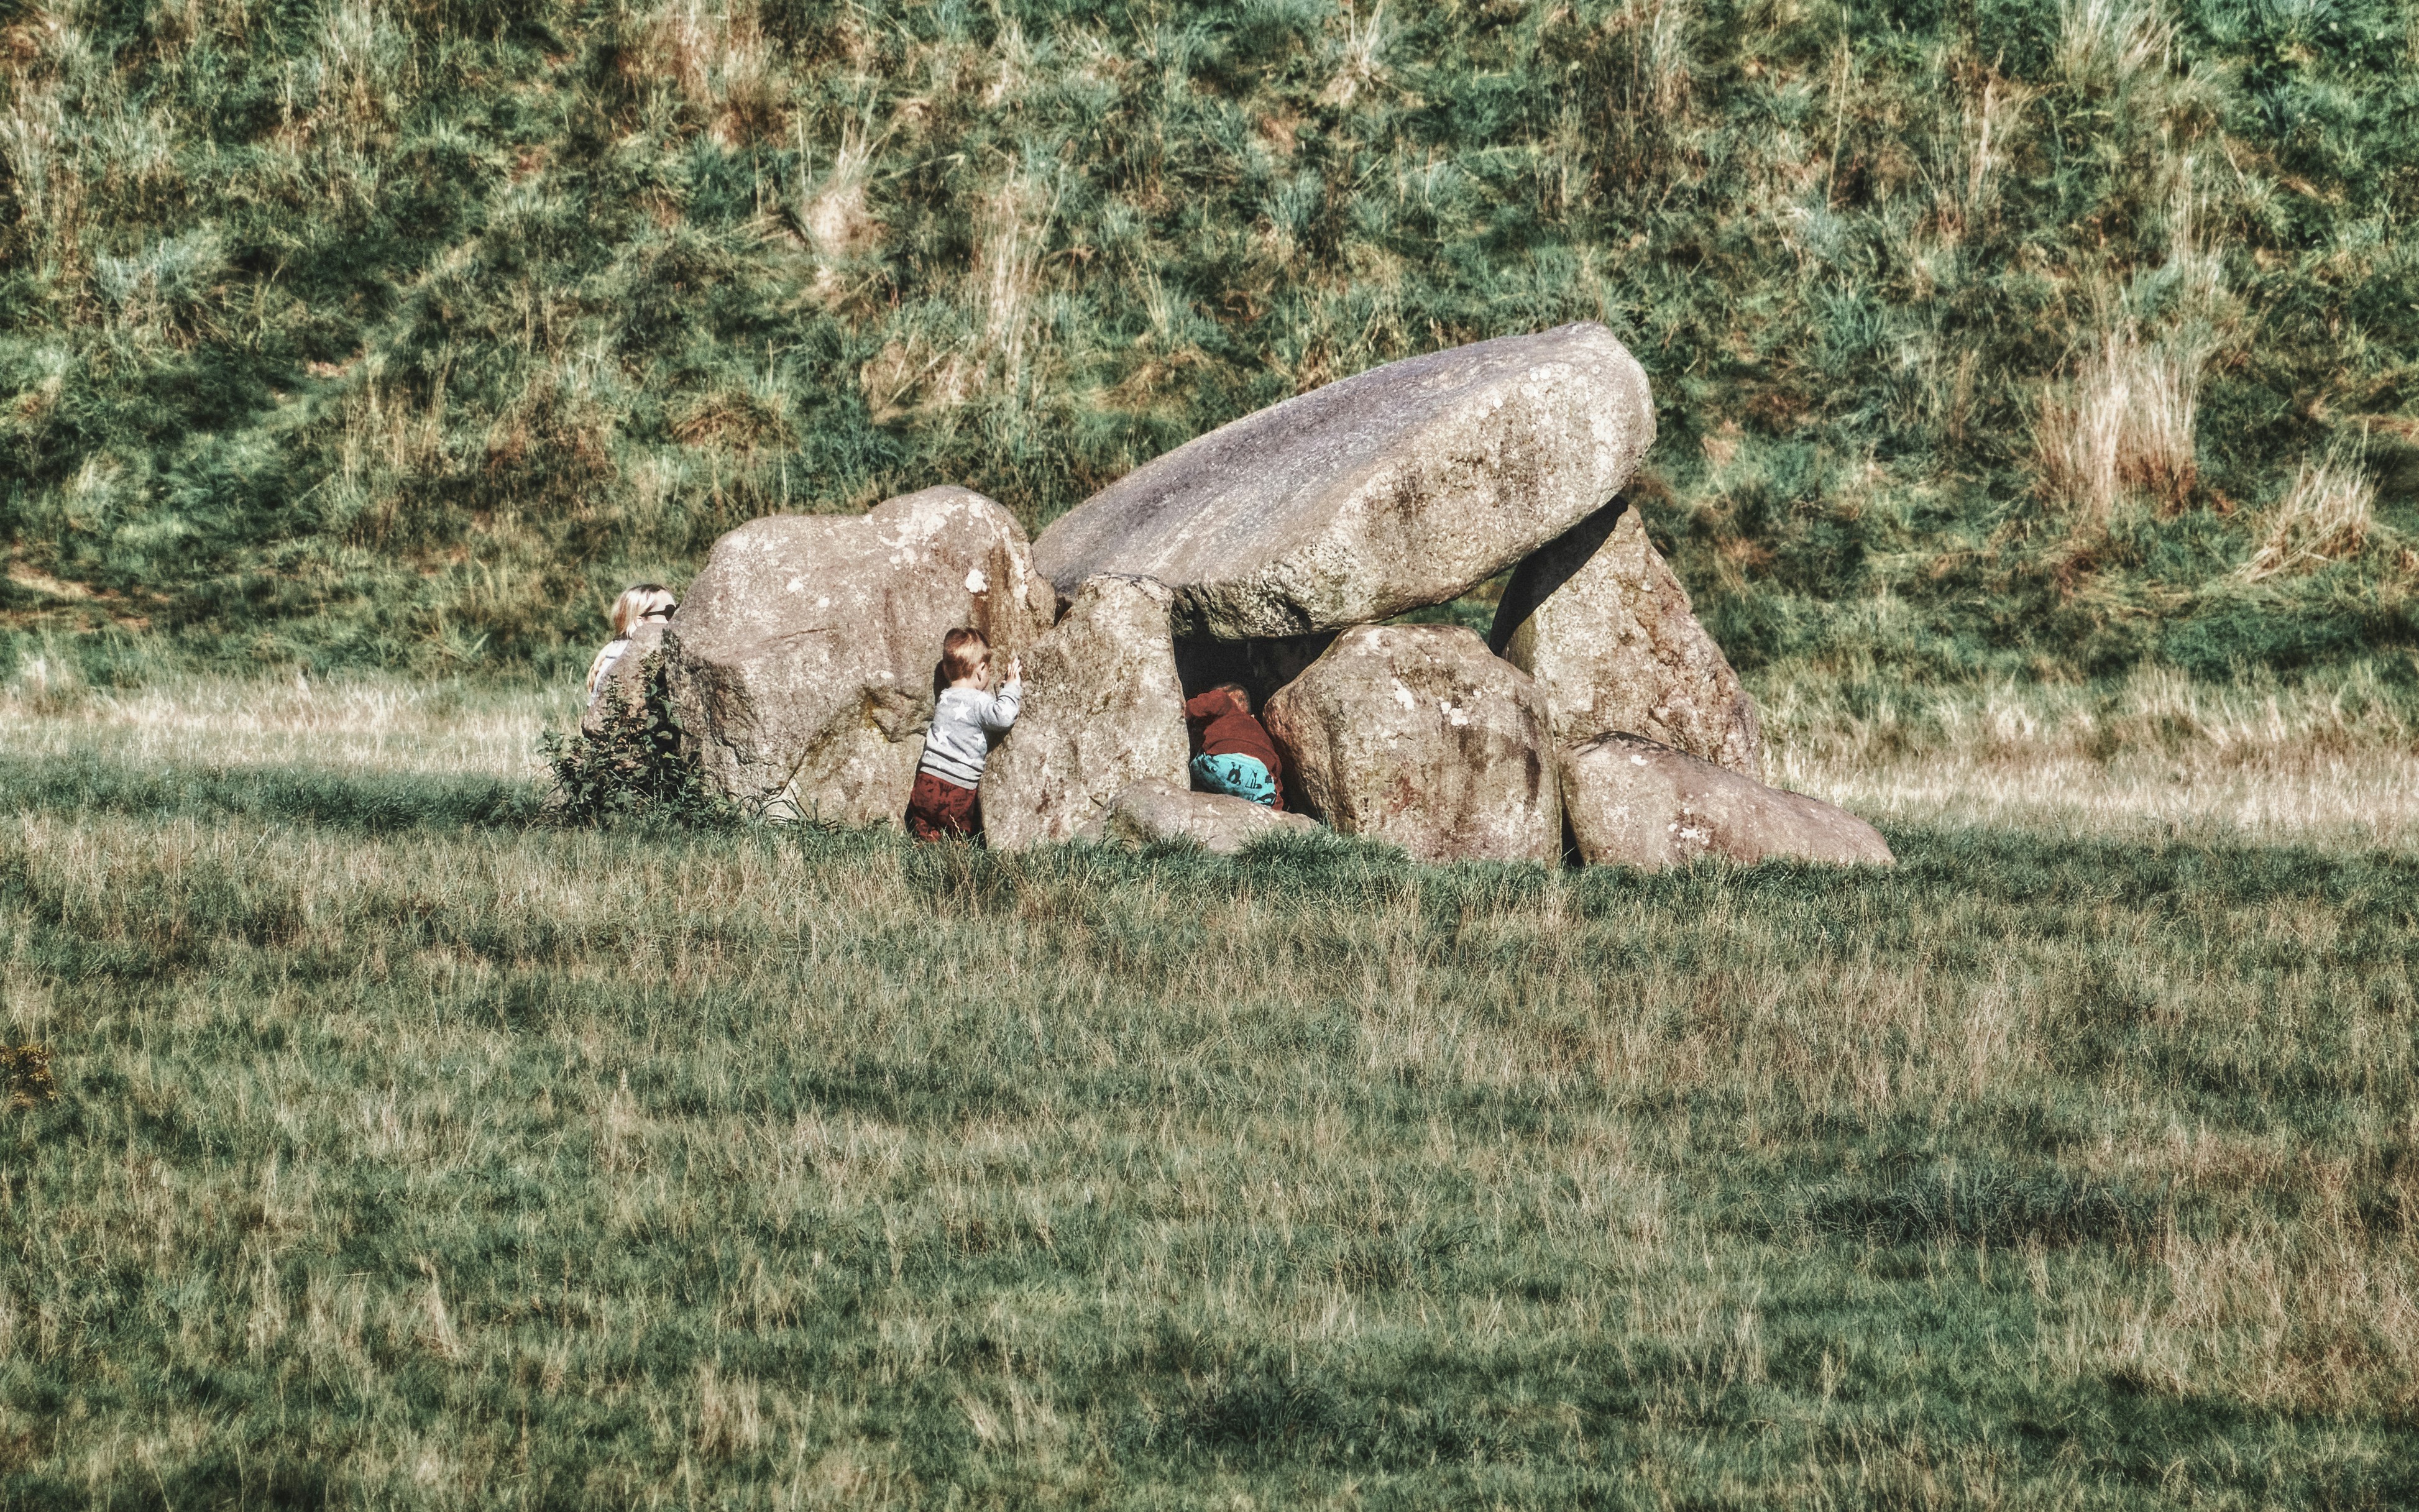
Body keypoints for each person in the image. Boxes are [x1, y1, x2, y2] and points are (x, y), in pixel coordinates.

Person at [906, 626, 1021, 841]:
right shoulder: (980, 701)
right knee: (958, 833)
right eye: (988, 670)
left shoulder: (945, 698)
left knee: (925, 824)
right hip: (958, 789)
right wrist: (1011, 687)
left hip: (926, 783)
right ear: (981, 669)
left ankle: (925, 840)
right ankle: (957, 853)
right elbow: (1004, 717)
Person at [1183, 682, 1285, 809]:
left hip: (1222, 766)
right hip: (1260, 781)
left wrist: (1184, 710)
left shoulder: (1225, 704)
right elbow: (1275, 773)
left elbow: (1213, 701)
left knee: (1195, 763)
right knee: (1269, 794)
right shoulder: (1262, 733)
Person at [585, 583, 677, 704]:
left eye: (678, 611)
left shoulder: (618, 653)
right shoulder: (624, 661)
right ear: (640, 622)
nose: (677, 618)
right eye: (669, 613)